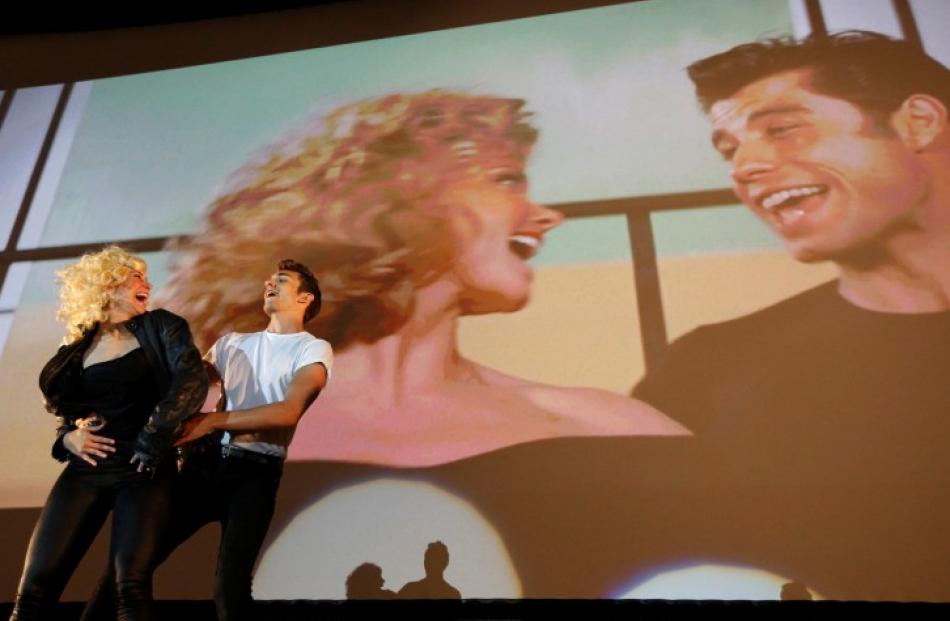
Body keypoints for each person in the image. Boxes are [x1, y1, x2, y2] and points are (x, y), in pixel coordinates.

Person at [159, 90, 687, 468]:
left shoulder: (612, 428)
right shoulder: (192, 427)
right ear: (400, 193)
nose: (548, 216)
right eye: (506, 179)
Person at [633, 31, 950, 598]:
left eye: (782, 129)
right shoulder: (703, 373)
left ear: (920, 122)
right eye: (729, 150)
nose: (745, 168)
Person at [84, 259, 333, 621]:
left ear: (305, 298)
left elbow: (288, 411)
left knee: (229, 590)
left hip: (255, 475)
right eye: (269, 278)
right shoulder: (232, 343)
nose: (269, 282)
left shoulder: (313, 349)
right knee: (129, 566)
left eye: (280, 279)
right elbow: (183, 386)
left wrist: (214, 420)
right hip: (203, 466)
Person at [8, 246, 207, 621]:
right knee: (34, 588)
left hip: (143, 467)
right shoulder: (79, 345)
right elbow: (66, 409)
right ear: (108, 284)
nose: (148, 283)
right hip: (87, 469)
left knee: (128, 586)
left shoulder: (162, 326)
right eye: (137, 276)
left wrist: (152, 439)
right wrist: (67, 438)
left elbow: (190, 383)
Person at [397, 541, 462, 600]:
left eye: (433, 560)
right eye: (427, 559)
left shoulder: (452, 595)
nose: (427, 563)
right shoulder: (410, 589)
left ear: (444, 563)